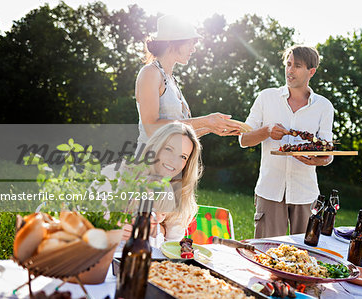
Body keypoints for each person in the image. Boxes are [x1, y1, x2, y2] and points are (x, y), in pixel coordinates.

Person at [239, 45, 334, 238]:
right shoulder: (266, 97)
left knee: (305, 257)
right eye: (288, 64)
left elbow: (327, 153)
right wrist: (266, 131)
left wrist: (318, 160)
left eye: (297, 66)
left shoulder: (324, 106)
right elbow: (244, 139)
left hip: (305, 193)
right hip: (270, 190)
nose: (290, 70)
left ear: (311, 71)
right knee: (265, 254)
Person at [135, 15, 240, 153]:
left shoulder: (171, 80)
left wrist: (211, 128)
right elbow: (151, 128)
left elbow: (177, 132)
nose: (193, 49)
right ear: (173, 42)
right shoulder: (150, 73)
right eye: (190, 43)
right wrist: (206, 121)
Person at [102, 122, 202, 247]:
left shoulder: (180, 192)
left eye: (183, 156)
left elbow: (173, 242)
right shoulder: (116, 174)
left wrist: (158, 229)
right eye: (168, 149)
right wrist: (110, 225)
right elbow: (84, 217)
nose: (173, 161)